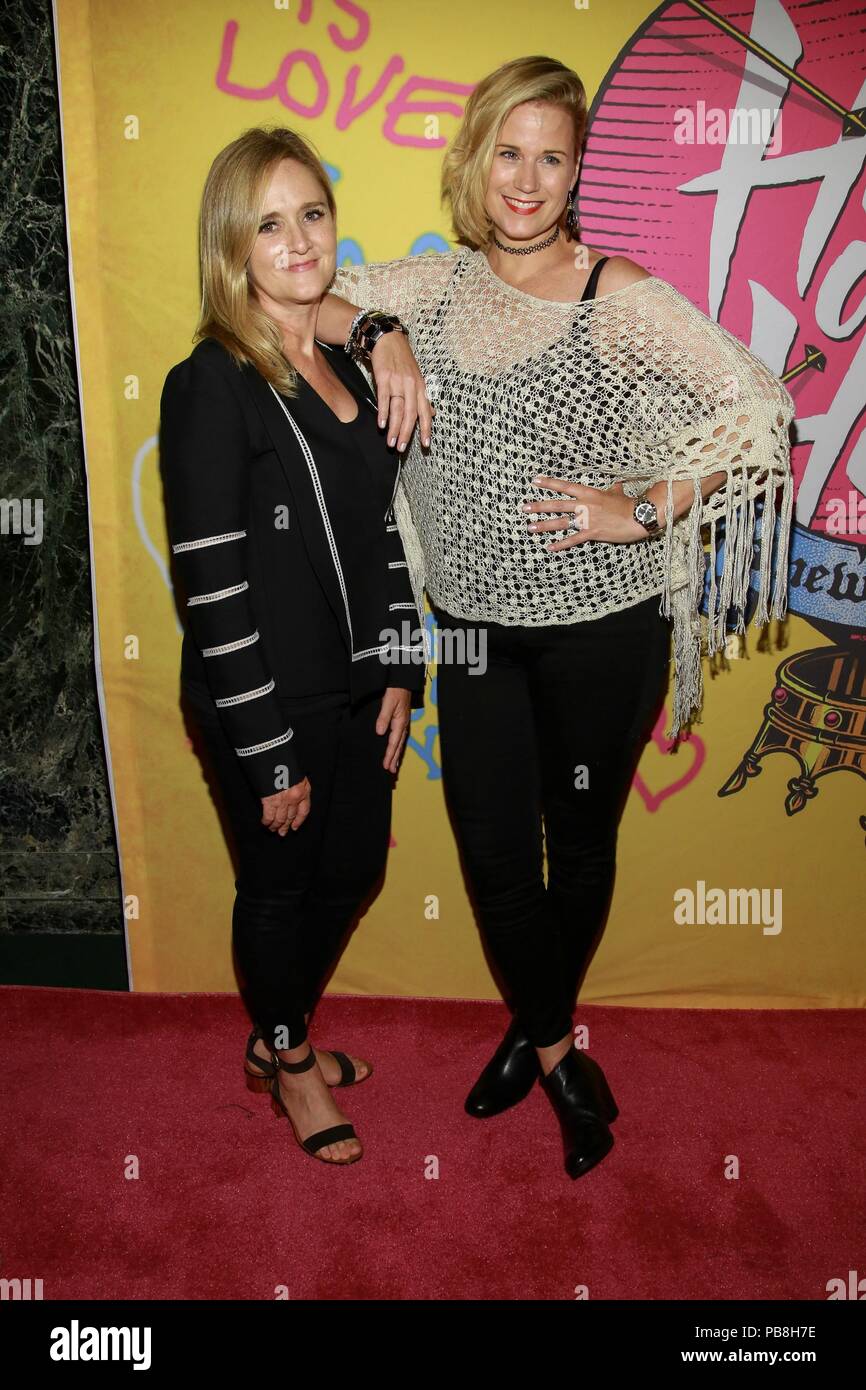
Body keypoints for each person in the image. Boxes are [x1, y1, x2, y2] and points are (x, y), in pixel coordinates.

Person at [317, 55, 795, 1179]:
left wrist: (648, 506)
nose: (525, 181)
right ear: (471, 161)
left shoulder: (609, 292)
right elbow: (292, 294)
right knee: (493, 854)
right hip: (474, 629)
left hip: (600, 630)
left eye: (551, 157)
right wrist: (378, 323)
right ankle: (553, 1049)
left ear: (576, 171)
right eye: (506, 153)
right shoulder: (430, 291)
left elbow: (756, 409)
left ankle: (531, 1036)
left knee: (576, 846)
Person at [159, 126, 430, 1167]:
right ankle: (291, 1056)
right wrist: (265, 743)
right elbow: (213, 583)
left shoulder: (345, 362)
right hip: (264, 698)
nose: (297, 239)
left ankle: (275, 1032)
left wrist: (401, 664)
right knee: (278, 889)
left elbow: (381, 530)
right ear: (233, 244)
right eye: (268, 222)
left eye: (311, 213)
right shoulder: (211, 384)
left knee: (351, 870)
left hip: (360, 690)